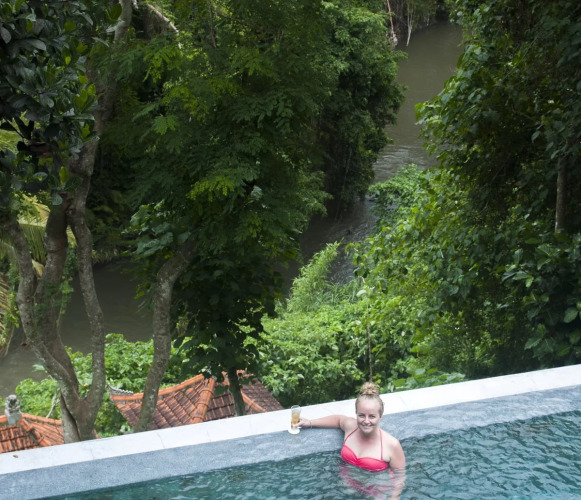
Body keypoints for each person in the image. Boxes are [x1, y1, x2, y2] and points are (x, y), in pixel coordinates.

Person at [299, 382, 406, 498]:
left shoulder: (392, 444)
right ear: (356, 414)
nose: (366, 421)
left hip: (377, 492)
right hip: (348, 486)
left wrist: (394, 496)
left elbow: (400, 476)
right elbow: (338, 419)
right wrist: (309, 422)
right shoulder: (351, 427)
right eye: (361, 415)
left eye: (372, 416)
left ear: (380, 416)